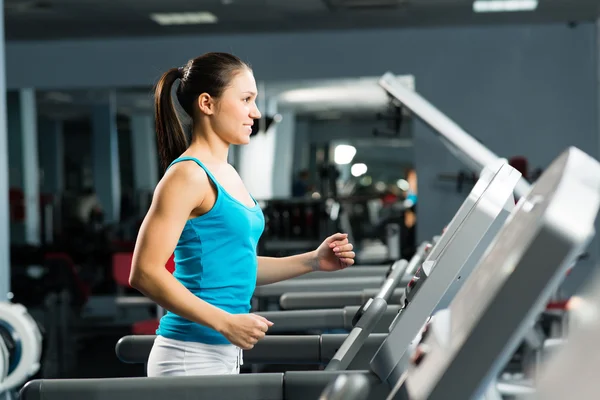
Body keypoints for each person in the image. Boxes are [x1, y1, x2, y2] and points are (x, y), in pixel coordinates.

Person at [128, 52, 356, 377]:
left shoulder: (228, 173)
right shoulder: (188, 175)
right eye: (246, 99)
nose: (256, 112)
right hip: (188, 355)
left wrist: (313, 261)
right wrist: (225, 322)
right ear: (207, 103)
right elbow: (145, 272)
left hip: (222, 352)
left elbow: (237, 265)